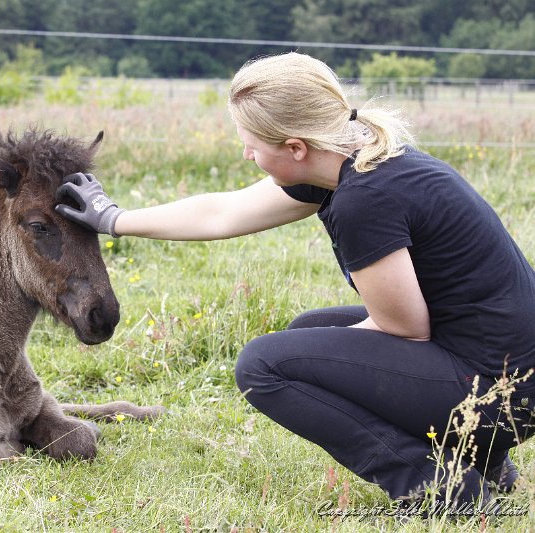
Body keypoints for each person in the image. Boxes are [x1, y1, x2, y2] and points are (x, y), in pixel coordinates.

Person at [54, 52, 535, 513]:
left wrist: (312, 357)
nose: (246, 153)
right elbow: (223, 212)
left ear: (296, 148)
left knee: (267, 365)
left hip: (500, 393)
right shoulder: (362, 160)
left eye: (252, 145)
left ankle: (441, 488)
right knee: (308, 332)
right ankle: (487, 466)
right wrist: (114, 218)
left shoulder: (365, 201)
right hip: (506, 370)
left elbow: (407, 330)